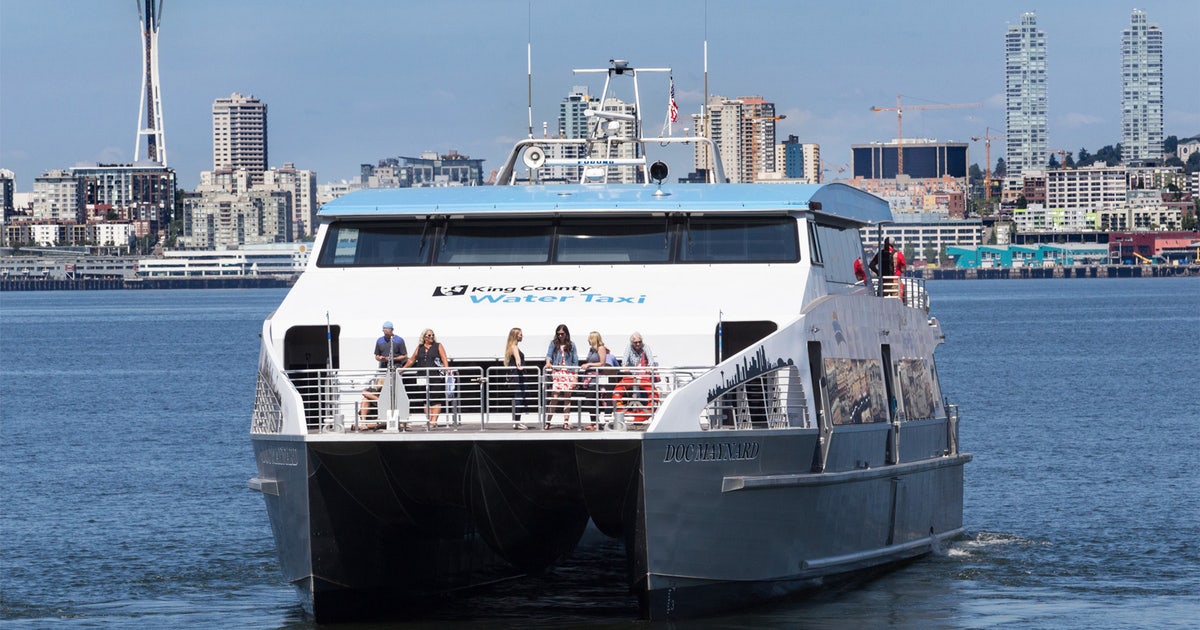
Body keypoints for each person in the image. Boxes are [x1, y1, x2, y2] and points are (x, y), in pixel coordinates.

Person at [402, 328, 449, 429]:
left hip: (435, 376)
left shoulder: (438, 345)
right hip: (422, 376)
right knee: (425, 400)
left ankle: (434, 421)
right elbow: (411, 360)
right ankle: (428, 420)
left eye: (432, 335)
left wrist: (446, 368)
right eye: (429, 335)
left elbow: (444, 357)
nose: (431, 337)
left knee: (436, 399)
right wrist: (401, 370)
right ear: (424, 337)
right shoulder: (420, 347)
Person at [543, 324, 579, 430]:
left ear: (566, 334)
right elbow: (549, 355)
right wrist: (548, 363)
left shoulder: (572, 345)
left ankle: (566, 423)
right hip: (557, 372)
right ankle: (548, 422)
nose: (560, 336)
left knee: (567, 398)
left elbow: (575, 361)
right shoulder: (553, 344)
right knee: (554, 397)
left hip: (569, 372)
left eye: (562, 334)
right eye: (558, 334)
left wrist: (575, 376)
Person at [578, 331, 612, 430]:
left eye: (589, 338)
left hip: (597, 378)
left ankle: (596, 422)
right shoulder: (591, 350)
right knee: (590, 400)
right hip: (589, 378)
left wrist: (589, 365)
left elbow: (602, 363)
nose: (588, 340)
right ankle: (593, 422)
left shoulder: (601, 348)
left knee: (595, 399)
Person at [503, 327, 529, 430]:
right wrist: (519, 366)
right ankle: (516, 422)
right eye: (520, 334)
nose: (522, 336)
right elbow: (518, 359)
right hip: (518, 376)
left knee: (520, 397)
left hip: (518, 376)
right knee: (519, 398)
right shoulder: (514, 347)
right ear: (515, 336)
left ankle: (517, 421)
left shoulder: (512, 346)